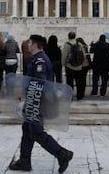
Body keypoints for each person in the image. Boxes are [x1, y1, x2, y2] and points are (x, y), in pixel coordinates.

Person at [9, 34, 73, 173]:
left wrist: (30, 100)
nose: (28, 45)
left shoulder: (40, 61)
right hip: (33, 100)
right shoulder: (37, 59)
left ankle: (62, 154)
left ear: (36, 44)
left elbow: (40, 84)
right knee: (27, 130)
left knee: (36, 132)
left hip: (37, 102)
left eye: (30, 43)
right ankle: (24, 161)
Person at [61, 31, 87, 100]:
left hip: (69, 66)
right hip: (78, 67)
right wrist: (80, 63)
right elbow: (83, 55)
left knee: (70, 83)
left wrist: (63, 64)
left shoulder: (67, 45)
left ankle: (70, 96)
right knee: (79, 82)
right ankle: (80, 96)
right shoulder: (79, 44)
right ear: (75, 36)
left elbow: (64, 55)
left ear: (68, 36)